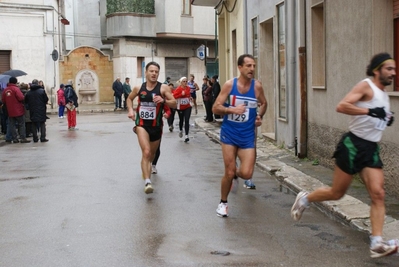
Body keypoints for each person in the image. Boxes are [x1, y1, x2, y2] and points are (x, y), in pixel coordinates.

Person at [291, 52, 398, 258]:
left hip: (371, 148)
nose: (393, 73)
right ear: (377, 70)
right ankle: (305, 199)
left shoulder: (384, 94)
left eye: (394, 69)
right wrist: (370, 112)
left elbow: (377, 114)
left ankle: (376, 243)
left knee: (378, 193)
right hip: (353, 145)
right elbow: (342, 106)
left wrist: (385, 117)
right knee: (337, 193)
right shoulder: (366, 86)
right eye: (389, 69)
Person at [212, 54, 267, 217]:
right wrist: (231, 110)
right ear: (240, 67)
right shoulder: (230, 85)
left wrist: (259, 115)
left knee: (247, 173)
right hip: (229, 133)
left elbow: (264, 103)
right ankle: (223, 203)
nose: (252, 69)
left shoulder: (257, 86)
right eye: (248, 66)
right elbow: (215, 107)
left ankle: (236, 174)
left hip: (247, 135)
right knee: (228, 172)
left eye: (254, 66)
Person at [127, 61, 176, 194]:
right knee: (146, 152)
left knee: (152, 155)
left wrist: (164, 100)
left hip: (156, 127)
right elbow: (129, 99)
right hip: (142, 125)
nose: (154, 74)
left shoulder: (163, 88)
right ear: (146, 72)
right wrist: (131, 110)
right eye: (151, 71)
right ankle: (147, 182)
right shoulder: (139, 88)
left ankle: (147, 172)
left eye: (156, 72)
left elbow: (175, 104)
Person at [1, 77, 30, 143]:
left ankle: (14, 138)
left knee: (12, 125)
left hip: (10, 110)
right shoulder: (16, 89)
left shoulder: (5, 90)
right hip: (18, 110)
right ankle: (22, 138)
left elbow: (3, 100)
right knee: (21, 124)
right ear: (15, 82)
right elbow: (21, 98)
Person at [151, 105, 171, 174]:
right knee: (146, 148)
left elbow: (168, 110)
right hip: (144, 126)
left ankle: (153, 165)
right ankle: (146, 164)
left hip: (157, 125)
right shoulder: (142, 95)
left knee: (157, 147)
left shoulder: (160, 97)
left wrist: (167, 114)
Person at [173, 77, 192, 142]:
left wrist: (190, 98)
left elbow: (188, 95)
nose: (185, 82)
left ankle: (186, 135)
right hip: (180, 107)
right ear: (181, 82)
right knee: (181, 120)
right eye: (184, 81)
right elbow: (174, 96)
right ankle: (180, 130)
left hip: (188, 106)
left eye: (186, 81)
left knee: (187, 120)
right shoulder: (178, 89)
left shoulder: (188, 88)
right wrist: (181, 94)